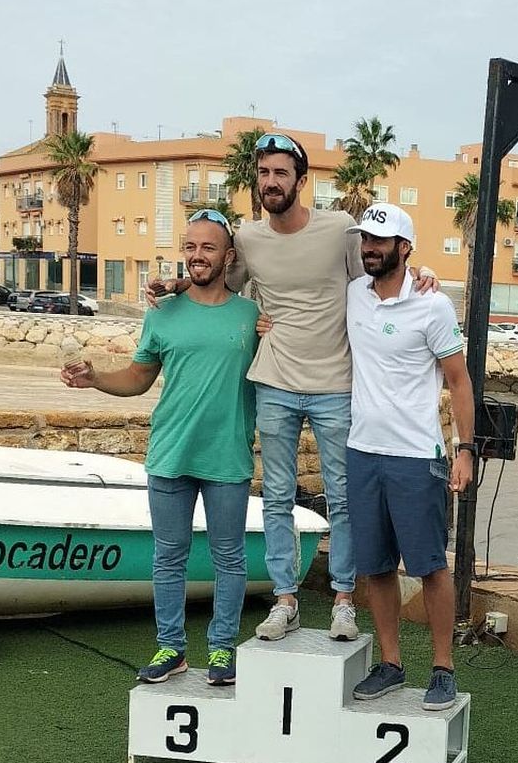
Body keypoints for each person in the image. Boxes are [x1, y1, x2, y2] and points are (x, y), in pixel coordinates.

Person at [151, 133, 435, 646]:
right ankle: (286, 601)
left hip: (335, 386)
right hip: (275, 383)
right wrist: (172, 285)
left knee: (343, 500)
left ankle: (344, 602)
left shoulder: (341, 232)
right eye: (264, 173)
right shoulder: (249, 238)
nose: (271, 182)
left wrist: (422, 276)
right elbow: (217, 281)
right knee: (277, 497)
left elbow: (376, 276)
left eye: (282, 173)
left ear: (302, 181)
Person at [63, 209, 259, 686]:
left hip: (228, 456)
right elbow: (137, 378)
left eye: (208, 247)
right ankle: (171, 648)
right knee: (168, 556)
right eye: (190, 247)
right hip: (170, 453)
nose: (197, 256)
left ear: (227, 256)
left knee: (229, 558)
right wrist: (94, 381)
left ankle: (221, 650)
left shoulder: (253, 318)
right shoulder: (162, 313)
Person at [342, 203, 475, 712]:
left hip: (417, 457)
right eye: (365, 240)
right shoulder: (356, 293)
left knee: (428, 567)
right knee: (375, 567)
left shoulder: (433, 305)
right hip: (362, 452)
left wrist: (466, 451)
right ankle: (392, 664)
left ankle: (442, 668)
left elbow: (460, 381)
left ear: (404, 247)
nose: (370, 248)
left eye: (380, 240)